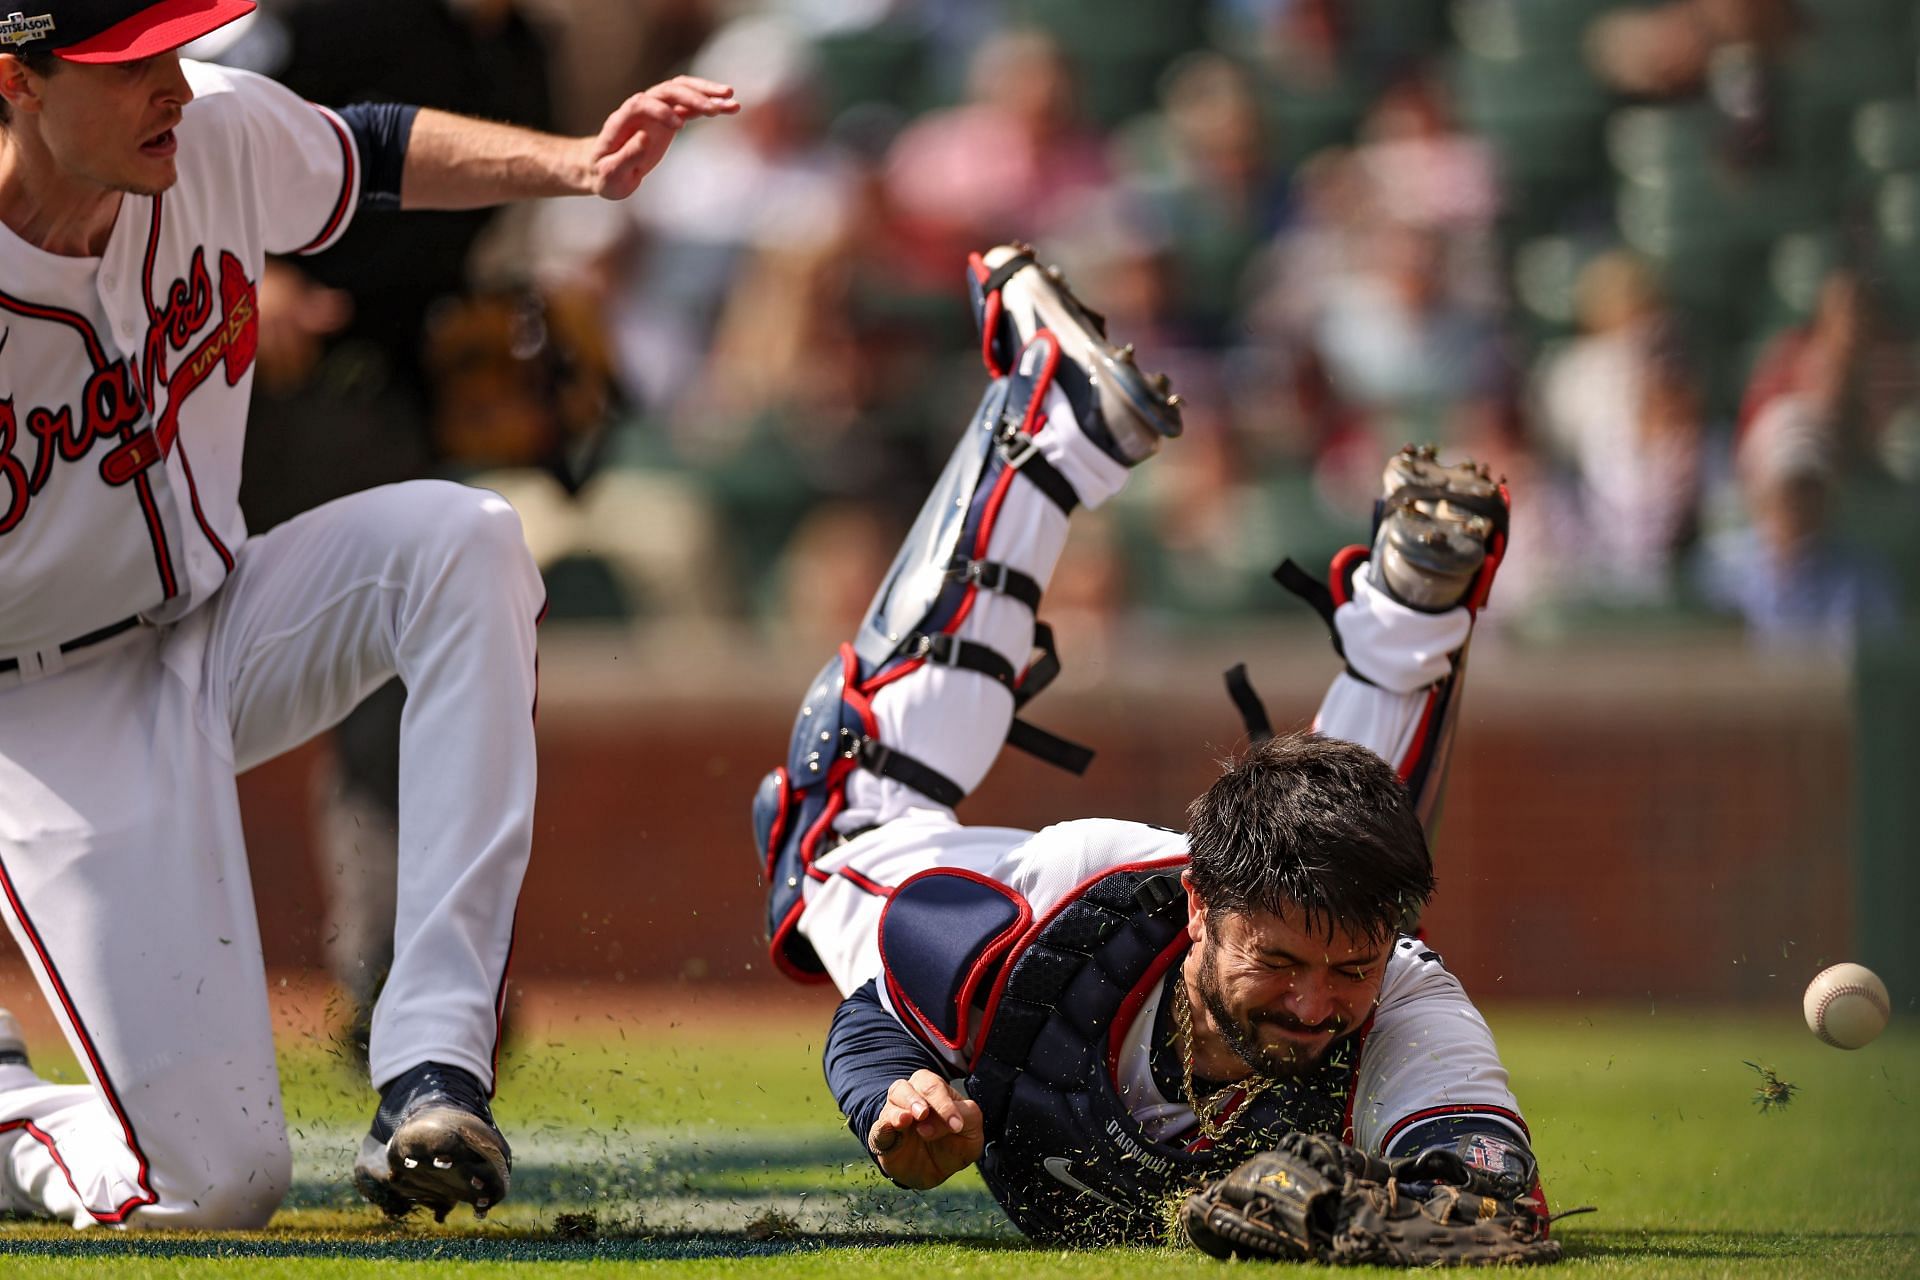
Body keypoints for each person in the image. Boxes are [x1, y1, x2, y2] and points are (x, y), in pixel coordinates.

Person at [0, 0, 735, 1229]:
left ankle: (432, 1066)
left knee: (463, 540)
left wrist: (580, 168)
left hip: (211, 623)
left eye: (178, 49)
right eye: (130, 65)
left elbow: (369, 149)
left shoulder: (212, 135)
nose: (174, 86)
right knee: (214, 1187)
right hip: (38, 712)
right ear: (17, 79)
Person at [751, 244, 1542, 1244]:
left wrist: (1365, 1224)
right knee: (828, 822)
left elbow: (1497, 1206)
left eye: (1352, 966)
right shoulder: (1054, 906)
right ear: (1200, 905)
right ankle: (1052, 422)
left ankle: (1410, 619)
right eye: (1283, 958)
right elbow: (880, 1010)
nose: (1314, 1002)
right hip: (975, 877)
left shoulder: (1409, 996)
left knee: (1351, 846)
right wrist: (896, 1098)